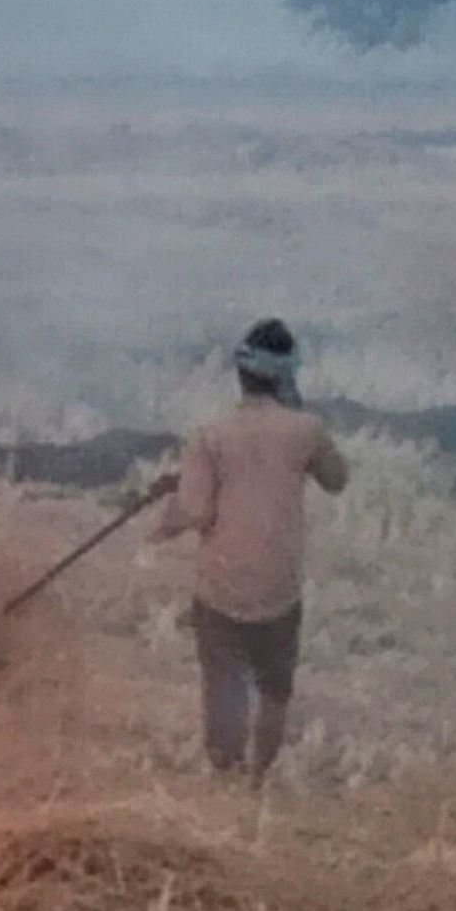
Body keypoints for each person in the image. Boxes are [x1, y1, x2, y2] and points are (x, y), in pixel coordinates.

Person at [151, 320, 349, 783]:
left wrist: (164, 522)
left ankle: (226, 772)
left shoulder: (210, 433)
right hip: (280, 589)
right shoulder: (307, 430)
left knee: (224, 682)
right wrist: (300, 416)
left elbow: (196, 511)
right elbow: (337, 480)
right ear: (286, 376)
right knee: (274, 689)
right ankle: (259, 776)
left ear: (240, 373)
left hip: (222, 588)